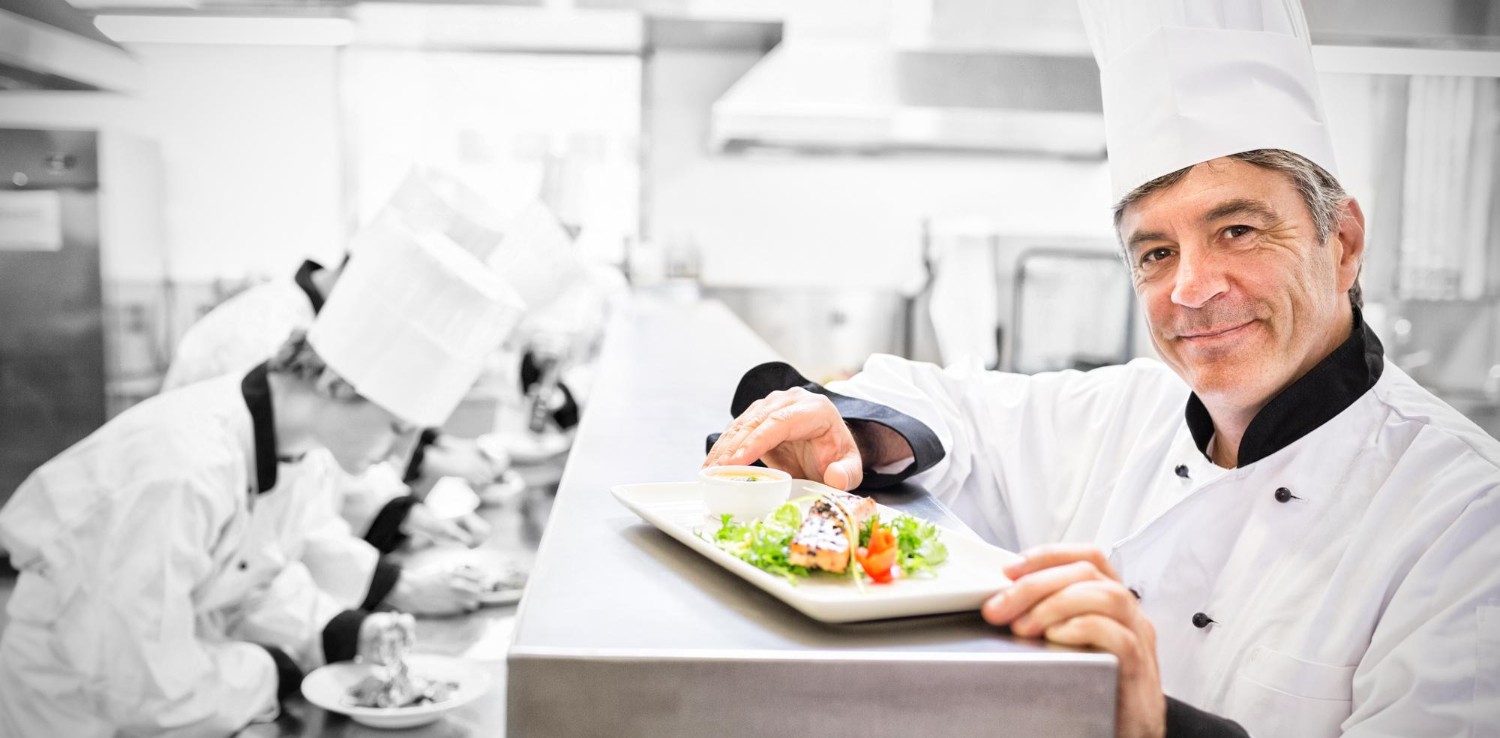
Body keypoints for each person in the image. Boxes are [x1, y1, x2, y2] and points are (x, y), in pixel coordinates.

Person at [704, 2, 1500, 737]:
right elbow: (932, 406)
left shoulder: (1466, 516)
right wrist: (839, 431)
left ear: (1344, 243)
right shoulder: (1118, 411)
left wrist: (1158, 726)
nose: (1192, 287)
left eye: (1239, 231)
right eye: (1156, 252)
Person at [0, 223, 520, 735]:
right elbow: (136, 678)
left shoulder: (303, 452)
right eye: (397, 428)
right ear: (338, 383)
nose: (399, 455)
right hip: (76, 712)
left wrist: (340, 631)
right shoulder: (181, 470)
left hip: (179, 693)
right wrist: (276, 673)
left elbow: (255, 573)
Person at [162, 180, 523, 616]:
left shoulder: (328, 358)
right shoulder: (257, 337)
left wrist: (403, 515)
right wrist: (394, 589)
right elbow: (260, 532)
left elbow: (301, 512)